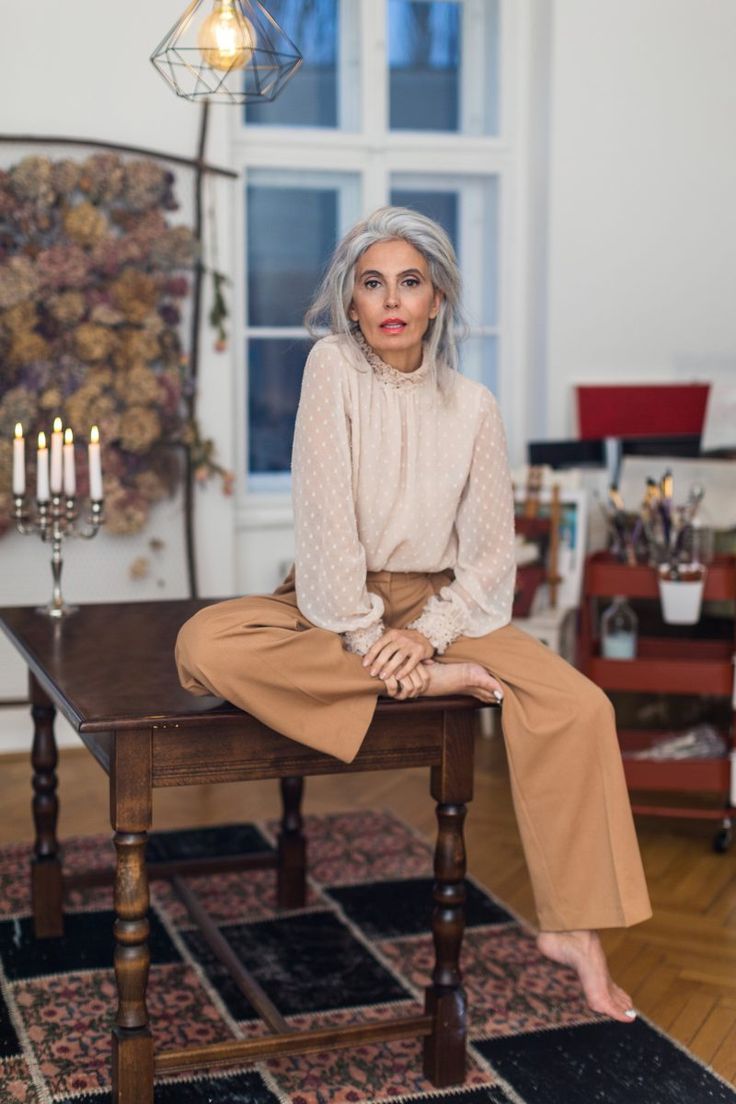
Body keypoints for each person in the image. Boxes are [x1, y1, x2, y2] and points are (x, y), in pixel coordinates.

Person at [176, 206, 652, 1024]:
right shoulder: (333, 367)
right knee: (204, 643)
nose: (391, 300)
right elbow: (325, 523)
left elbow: (490, 558)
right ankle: (435, 683)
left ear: (437, 299)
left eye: (410, 282)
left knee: (580, 707)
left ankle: (575, 929)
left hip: (443, 606)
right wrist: (378, 642)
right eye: (372, 283)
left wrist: (425, 633)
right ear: (350, 301)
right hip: (336, 598)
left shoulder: (474, 406)